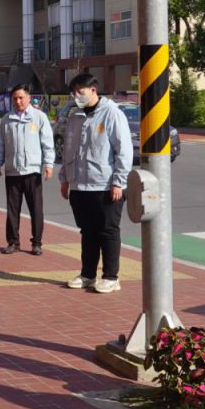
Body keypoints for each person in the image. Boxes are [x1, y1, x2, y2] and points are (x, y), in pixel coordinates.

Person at [58, 74, 133, 294]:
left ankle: (111, 277)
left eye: (80, 91)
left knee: (107, 231)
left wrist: (119, 182)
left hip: (105, 185)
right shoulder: (75, 117)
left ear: (93, 90)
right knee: (87, 232)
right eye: (73, 92)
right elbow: (68, 151)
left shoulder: (112, 114)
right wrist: (65, 179)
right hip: (79, 185)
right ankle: (87, 275)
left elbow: (124, 151)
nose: (76, 96)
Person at [0, 84, 55, 255]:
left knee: (36, 209)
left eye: (21, 98)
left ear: (28, 98)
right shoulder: (7, 119)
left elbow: (47, 144)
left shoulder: (39, 117)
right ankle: (13, 242)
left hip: (32, 171)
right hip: (13, 170)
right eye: (15, 98)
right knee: (12, 210)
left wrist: (49, 165)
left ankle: (37, 243)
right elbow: (1, 145)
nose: (18, 101)